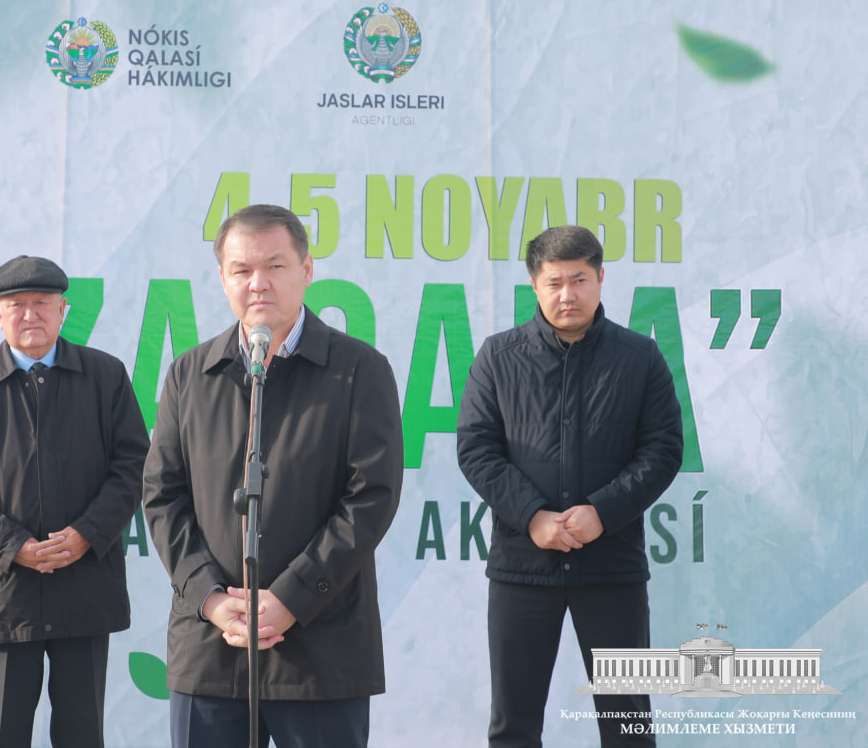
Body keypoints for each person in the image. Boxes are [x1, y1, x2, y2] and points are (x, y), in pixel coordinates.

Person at [143, 204, 404, 748]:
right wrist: (211, 597)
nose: (258, 283)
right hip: (212, 648)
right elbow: (163, 497)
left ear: (307, 271)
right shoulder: (191, 374)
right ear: (222, 279)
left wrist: (291, 597)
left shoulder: (358, 370)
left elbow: (370, 498)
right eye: (241, 270)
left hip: (319, 647)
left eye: (276, 266)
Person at [456, 225, 684, 748]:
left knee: (628, 725)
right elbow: (476, 446)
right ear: (534, 286)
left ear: (601, 278)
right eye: (554, 282)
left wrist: (601, 512)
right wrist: (533, 516)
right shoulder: (498, 357)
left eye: (579, 279)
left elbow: (663, 449)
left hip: (611, 568)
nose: (567, 294)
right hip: (521, 568)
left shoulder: (639, 359)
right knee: (513, 725)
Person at [0, 255, 149, 748]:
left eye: (42, 304)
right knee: (3, 735)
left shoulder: (105, 376)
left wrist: (84, 536)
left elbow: (132, 467)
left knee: (81, 734)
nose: (30, 315)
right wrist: (16, 547)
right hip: (8, 595)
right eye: (16, 305)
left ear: (63, 310)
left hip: (86, 589)